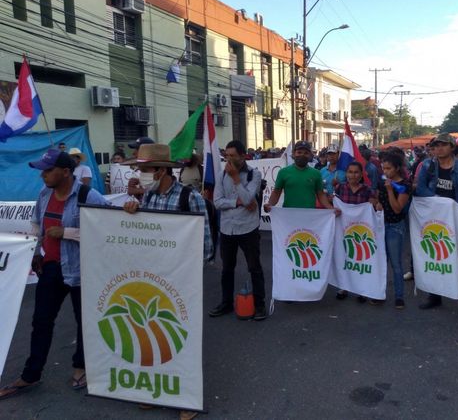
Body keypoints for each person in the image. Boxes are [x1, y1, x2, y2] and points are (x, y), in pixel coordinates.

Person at [0, 149, 107, 400]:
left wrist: (67, 233)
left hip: (82, 270)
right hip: (51, 268)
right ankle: (31, 374)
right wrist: (36, 252)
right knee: (41, 321)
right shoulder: (44, 193)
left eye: (48, 170)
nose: (43, 175)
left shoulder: (88, 195)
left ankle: (80, 368)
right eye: (42, 171)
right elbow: (38, 224)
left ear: (67, 172)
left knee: (84, 322)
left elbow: (106, 230)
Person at [123, 144, 212, 420]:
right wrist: (132, 212)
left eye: (145, 170)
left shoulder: (190, 197)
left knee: (181, 339)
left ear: (161, 171)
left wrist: (183, 272)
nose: (141, 174)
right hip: (153, 281)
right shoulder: (148, 198)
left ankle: (186, 398)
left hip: (181, 283)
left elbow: (205, 245)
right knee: (152, 335)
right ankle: (155, 391)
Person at [416, 133, 458, 319]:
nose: (439, 148)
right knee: (436, 259)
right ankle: (435, 296)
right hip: (434, 223)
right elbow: (420, 188)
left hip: (457, 224)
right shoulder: (428, 166)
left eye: (443, 145)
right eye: (436, 146)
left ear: (452, 147)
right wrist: (439, 202)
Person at [210, 140, 267, 320]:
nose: (229, 159)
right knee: (227, 269)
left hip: (248, 228)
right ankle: (226, 303)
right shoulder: (221, 176)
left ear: (243, 156)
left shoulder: (254, 175)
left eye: (233, 155)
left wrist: (235, 179)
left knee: (254, 267)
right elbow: (217, 202)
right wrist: (236, 203)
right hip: (227, 229)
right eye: (227, 155)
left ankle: (260, 305)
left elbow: (249, 199)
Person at [334, 161, 378, 302]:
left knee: (360, 259)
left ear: (361, 175)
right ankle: (343, 287)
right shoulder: (340, 188)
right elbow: (334, 203)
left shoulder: (367, 190)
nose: (353, 175)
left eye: (356, 172)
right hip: (344, 229)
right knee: (344, 257)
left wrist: (375, 203)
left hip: (361, 231)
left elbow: (374, 205)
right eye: (350, 172)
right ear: (346, 174)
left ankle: (361, 290)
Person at [375, 152, 411, 309]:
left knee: (396, 264)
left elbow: (397, 209)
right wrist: (376, 203)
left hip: (395, 227)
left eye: (388, 168)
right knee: (381, 262)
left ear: (397, 168)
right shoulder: (381, 181)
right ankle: (379, 293)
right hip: (380, 226)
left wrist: (390, 190)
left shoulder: (405, 185)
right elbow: (375, 198)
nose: (385, 171)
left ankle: (399, 296)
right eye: (383, 168)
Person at [264, 140, 338, 213]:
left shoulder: (316, 174)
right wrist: (270, 204)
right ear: (293, 153)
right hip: (289, 215)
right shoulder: (283, 172)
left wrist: (331, 208)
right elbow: (276, 192)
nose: (302, 155)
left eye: (306, 153)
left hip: (309, 215)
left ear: (310, 155)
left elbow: (321, 194)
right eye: (299, 152)